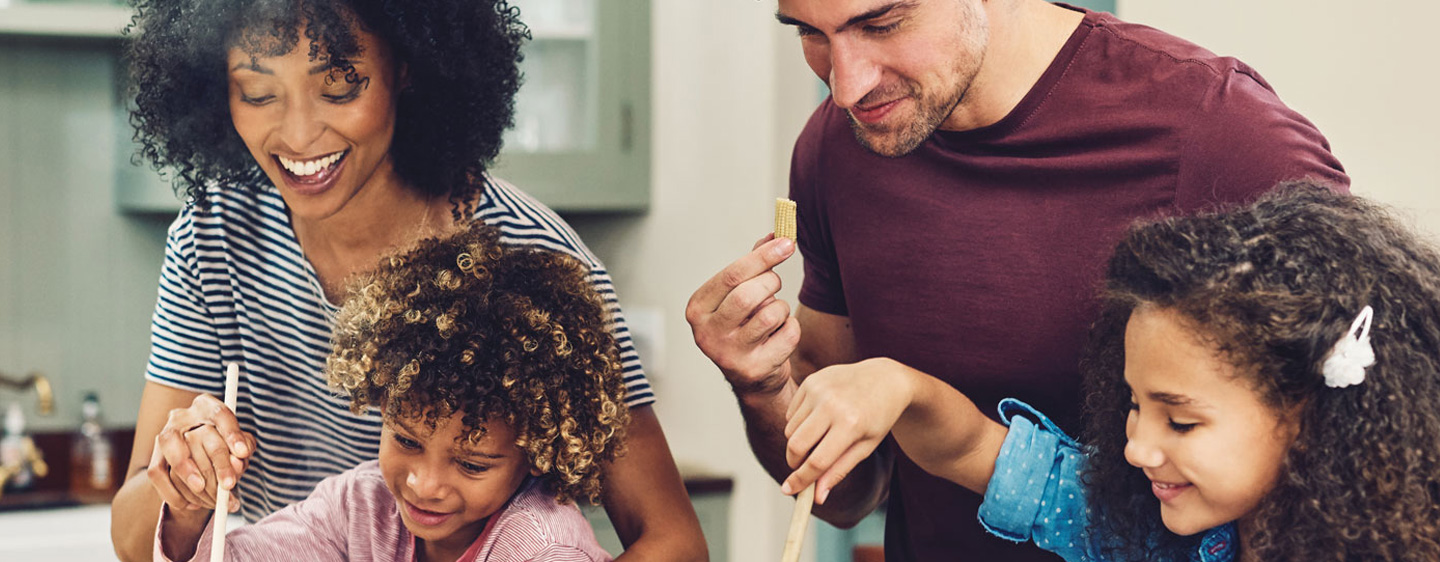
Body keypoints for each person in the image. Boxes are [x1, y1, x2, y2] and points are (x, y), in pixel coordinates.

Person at [686, 1, 1348, 560]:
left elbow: (1364, 461)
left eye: (882, 23)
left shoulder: (1222, 131)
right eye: (808, 32)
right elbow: (853, 492)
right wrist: (763, 386)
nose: (847, 85)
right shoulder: (836, 146)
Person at [111, 1, 705, 560]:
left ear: (408, 66)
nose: (297, 134)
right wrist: (183, 492)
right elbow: (136, 539)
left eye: (339, 85)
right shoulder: (215, 233)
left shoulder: (534, 262)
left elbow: (673, 541)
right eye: (259, 91)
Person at [779, 183, 1440, 561]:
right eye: (1133, 404)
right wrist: (896, 385)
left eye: (1180, 419)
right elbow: (976, 447)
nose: (1136, 447)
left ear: (1306, 414)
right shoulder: (1134, 525)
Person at [156, 224, 627, 562]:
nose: (424, 484)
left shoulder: (546, 550)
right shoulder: (358, 506)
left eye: (471, 464)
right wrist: (191, 504)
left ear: (538, 453)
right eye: (407, 440)